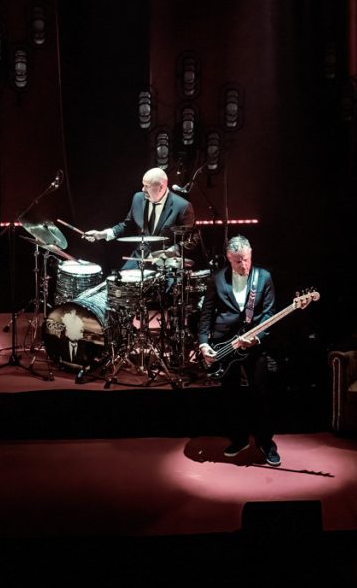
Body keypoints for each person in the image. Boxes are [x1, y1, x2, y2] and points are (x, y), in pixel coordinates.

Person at [196, 236, 280, 466]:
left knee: (261, 394)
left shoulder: (263, 277)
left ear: (251, 254)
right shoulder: (217, 279)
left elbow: (270, 314)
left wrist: (257, 337)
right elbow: (206, 314)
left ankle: (266, 442)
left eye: (246, 259)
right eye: (238, 261)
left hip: (254, 346)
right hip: (224, 346)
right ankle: (239, 438)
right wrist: (203, 343)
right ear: (228, 258)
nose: (244, 265)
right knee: (231, 396)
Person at [83, 167, 196, 269]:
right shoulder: (138, 198)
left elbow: (193, 239)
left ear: (161, 187)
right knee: (120, 282)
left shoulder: (182, 206)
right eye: (143, 185)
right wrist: (102, 234)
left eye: (147, 186)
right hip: (140, 257)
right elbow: (127, 225)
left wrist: (170, 252)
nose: (143, 189)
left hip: (166, 263)